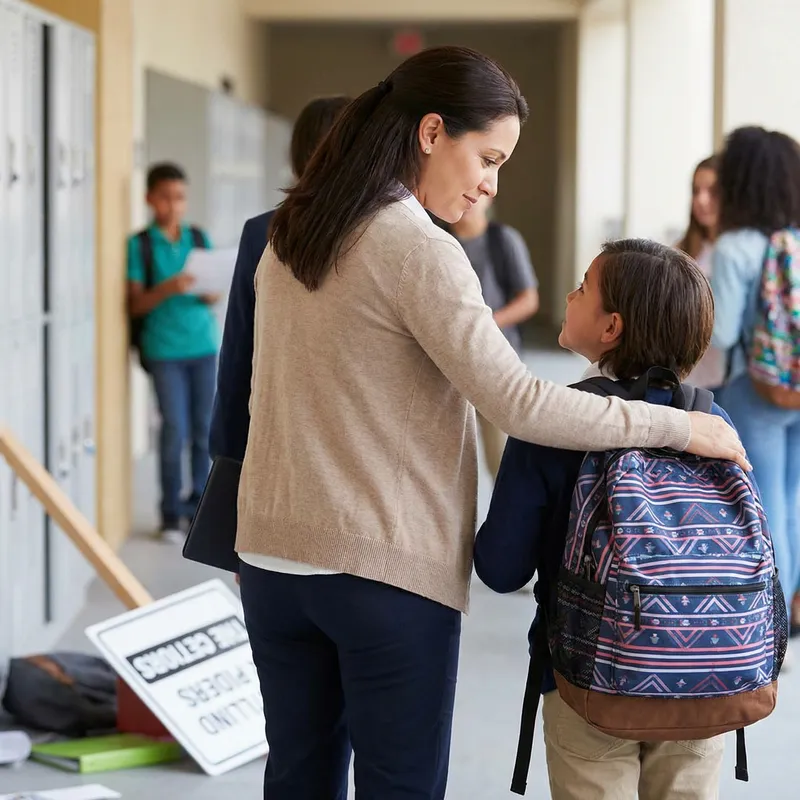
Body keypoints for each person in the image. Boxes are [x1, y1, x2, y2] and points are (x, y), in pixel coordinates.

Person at [233, 46, 745, 800]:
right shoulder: (415, 247)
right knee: (398, 787)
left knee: (299, 779)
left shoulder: (292, 234)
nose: (489, 185)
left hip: (273, 564)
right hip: (382, 572)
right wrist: (677, 428)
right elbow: (520, 402)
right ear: (432, 132)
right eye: (488, 157)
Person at [475, 239, 731, 800]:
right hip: (707, 674)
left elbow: (501, 568)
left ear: (610, 327)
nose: (568, 294)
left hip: (589, 681)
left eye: (583, 287)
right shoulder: (712, 422)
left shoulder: (552, 425)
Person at [210, 95, 351, 463]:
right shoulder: (387, 233)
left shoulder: (262, 232)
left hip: (277, 433)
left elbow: (239, 353)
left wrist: (227, 453)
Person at [711, 126, 800, 636]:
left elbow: (720, 333)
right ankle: (786, 613)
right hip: (796, 386)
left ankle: (772, 628)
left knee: (763, 503)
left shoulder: (736, 247)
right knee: (791, 499)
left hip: (754, 387)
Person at [127, 163, 219, 543]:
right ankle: (169, 514)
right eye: (165, 197)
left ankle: (198, 507)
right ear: (150, 199)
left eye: (179, 197)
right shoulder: (140, 245)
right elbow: (135, 304)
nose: (173, 205)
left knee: (203, 431)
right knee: (174, 429)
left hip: (203, 345)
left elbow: (213, 293)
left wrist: (204, 287)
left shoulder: (197, 238)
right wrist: (171, 286)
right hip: (164, 349)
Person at [449, 194, 539, 478]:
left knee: (499, 453)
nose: (471, 199)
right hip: (448, 359)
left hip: (496, 358)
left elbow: (529, 299)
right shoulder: (437, 241)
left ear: (489, 201)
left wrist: (486, 323)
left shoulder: (504, 240)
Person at [677, 155, 725, 390]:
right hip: (688, 375)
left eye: (712, 191)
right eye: (696, 191)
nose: (701, 200)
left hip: (727, 377)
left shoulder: (738, 253)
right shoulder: (682, 249)